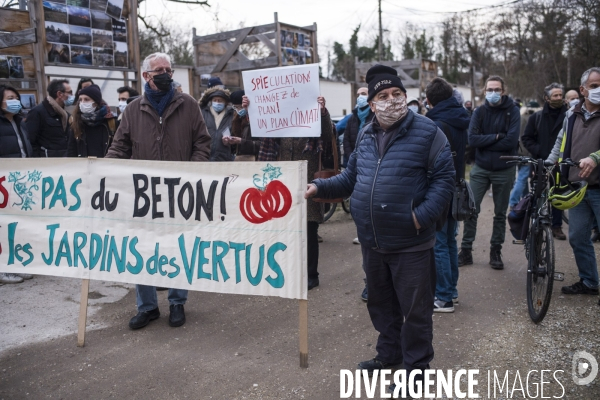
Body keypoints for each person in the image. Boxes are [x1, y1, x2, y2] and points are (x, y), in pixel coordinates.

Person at [305, 65, 454, 388]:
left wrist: (419, 217)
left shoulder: (429, 132)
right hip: (373, 240)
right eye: (383, 96)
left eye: (397, 94)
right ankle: (389, 353)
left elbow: (445, 182)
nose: (392, 101)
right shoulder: (367, 133)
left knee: (415, 312)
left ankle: (416, 371)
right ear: (371, 104)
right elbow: (351, 178)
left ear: (406, 96)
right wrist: (319, 189)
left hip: (412, 243)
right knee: (381, 304)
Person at [105, 52, 211, 329]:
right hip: (144, 194)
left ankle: (177, 302)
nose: (165, 73)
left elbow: (202, 142)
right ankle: (147, 306)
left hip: (180, 192)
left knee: (178, 248)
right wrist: (104, 170)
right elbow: (120, 146)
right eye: (159, 70)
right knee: (142, 248)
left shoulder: (188, 105)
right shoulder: (132, 110)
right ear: (146, 76)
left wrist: (193, 172)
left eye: (168, 69)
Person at [248, 95, 334, 290]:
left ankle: (312, 274)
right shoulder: (280, 124)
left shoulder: (314, 122)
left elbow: (328, 136)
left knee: (309, 230)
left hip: (307, 183)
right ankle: (289, 269)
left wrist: (323, 113)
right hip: (284, 182)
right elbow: (260, 131)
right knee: (286, 230)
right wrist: (251, 109)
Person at [546, 67, 600, 297]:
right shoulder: (571, 114)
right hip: (577, 187)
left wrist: (595, 157)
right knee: (578, 237)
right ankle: (589, 282)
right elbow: (561, 141)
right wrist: (548, 164)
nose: (599, 90)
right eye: (595, 86)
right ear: (583, 90)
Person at [458, 75, 520, 269]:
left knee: (500, 213)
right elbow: (473, 140)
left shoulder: (513, 111)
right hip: (481, 167)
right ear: (484, 91)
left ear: (503, 91)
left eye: (497, 90)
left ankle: (496, 250)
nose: (493, 93)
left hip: (505, 168)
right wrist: (496, 137)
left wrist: (488, 141)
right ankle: (466, 250)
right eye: (490, 90)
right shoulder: (479, 112)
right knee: (470, 210)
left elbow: (511, 141)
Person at [425, 78, 470, 312]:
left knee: (440, 244)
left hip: (441, 189)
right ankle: (450, 290)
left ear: (429, 100)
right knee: (450, 242)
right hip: (456, 186)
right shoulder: (460, 117)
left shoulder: (436, 124)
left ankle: (443, 297)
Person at [521, 82, 568, 240]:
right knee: (538, 194)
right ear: (547, 98)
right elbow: (526, 138)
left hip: (560, 163)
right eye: (555, 95)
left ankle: (556, 226)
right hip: (540, 162)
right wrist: (540, 152)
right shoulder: (537, 117)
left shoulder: (569, 116)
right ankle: (536, 224)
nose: (558, 98)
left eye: (560, 95)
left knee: (557, 195)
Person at [342, 86, 375, 293]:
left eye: (365, 94)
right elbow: (345, 139)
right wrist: (350, 158)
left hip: (371, 168)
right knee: (358, 204)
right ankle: (370, 284)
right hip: (355, 163)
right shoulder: (353, 118)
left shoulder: (375, 116)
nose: (361, 97)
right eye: (359, 94)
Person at [0, 84, 34, 284]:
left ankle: (17, 263)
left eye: (15, 97)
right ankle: (3, 268)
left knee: (17, 226)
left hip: (21, 181)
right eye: (8, 97)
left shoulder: (20, 122)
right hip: (3, 181)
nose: (13, 101)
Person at [25, 79, 73, 157]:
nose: (72, 95)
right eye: (70, 92)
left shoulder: (65, 114)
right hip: (46, 162)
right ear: (60, 94)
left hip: (64, 160)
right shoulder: (37, 112)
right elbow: (30, 140)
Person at [67, 84, 116, 158]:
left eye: (86, 99)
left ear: (96, 103)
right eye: (80, 100)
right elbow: (71, 152)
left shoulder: (111, 122)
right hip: (83, 167)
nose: (82, 103)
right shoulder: (76, 122)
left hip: (105, 166)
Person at [199, 87, 235, 161]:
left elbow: (236, 135)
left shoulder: (232, 115)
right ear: (211, 101)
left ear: (226, 102)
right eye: (215, 100)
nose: (217, 103)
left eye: (220, 101)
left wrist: (230, 141)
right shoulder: (203, 113)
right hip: (204, 156)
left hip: (224, 158)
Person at [228, 90, 259, 161]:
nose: (238, 110)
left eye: (240, 107)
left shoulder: (256, 120)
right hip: (240, 159)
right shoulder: (237, 119)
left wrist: (241, 141)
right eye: (235, 107)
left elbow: (261, 145)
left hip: (254, 160)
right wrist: (230, 141)